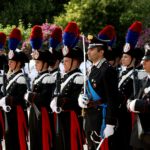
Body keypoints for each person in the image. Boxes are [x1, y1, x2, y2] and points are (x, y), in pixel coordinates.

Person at [78, 35, 119, 150]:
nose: (88, 51)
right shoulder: (91, 68)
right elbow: (85, 88)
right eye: (88, 49)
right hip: (89, 116)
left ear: (101, 52)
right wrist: (81, 98)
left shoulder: (107, 70)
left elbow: (112, 98)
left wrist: (110, 123)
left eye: (92, 49)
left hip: (101, 117)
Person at [50, 21, 85, 150]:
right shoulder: (63, 76)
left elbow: (76, 102)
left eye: (67, 61)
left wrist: (60, 101)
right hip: (61, 115)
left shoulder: (79, 78)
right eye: (63, 61)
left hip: (72, 118)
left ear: (75, 62)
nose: (64, 63)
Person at [24, 25, 56, 150]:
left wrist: (30, 96)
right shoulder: (38, 77)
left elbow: (44, 99)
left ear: (45, 64)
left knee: (42, 142)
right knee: (34, 141)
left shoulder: (48, 78)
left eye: (38, 62)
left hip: (42, 114)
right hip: (34, 112)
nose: (36, 65)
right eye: (35, 62)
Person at [0, 28, 29, 150]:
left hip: (17, 114)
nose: (9, 64)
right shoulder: (10, 76)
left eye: (12, 62)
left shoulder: (21, 78)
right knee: (10, 141)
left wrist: (7, 100)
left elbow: (20, 98)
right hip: (9, 113)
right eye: (9, 61)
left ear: (18, 63)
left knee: (18, 141)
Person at [117, 21, 144, 150]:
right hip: (120, 113)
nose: (123, 59)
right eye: (122, 57)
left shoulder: (140, 74)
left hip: (130, 114)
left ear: (134, 59)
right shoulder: (121, 73)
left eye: (126, 57)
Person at [127, 46, 150, 150]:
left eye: (147, 60)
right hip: (140, 132)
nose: (143, 63)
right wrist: (130, 102)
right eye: (143, 60)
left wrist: (137, 104)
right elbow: (136, 97)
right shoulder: (145, 79)